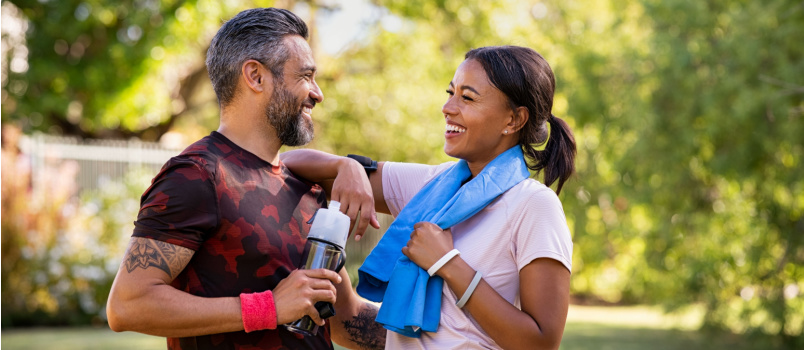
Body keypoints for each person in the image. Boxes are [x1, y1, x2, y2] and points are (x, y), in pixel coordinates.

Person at [106, 8, 386, 350]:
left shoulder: (305, 187)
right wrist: (268, 308)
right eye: (305, 76)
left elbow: (347, 320)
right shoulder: (197, 175)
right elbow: (128, 305)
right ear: (255, 76)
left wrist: (450, 331)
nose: (317, 93)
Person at [282, 45, 576, 349]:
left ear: (513, 121)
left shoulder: (533, 205)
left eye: (468, 97)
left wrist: (447, 263)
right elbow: (291, 164)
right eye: (450, 93)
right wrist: (344, 166)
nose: (448, 107)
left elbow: (543, 342)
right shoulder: (433, 184)